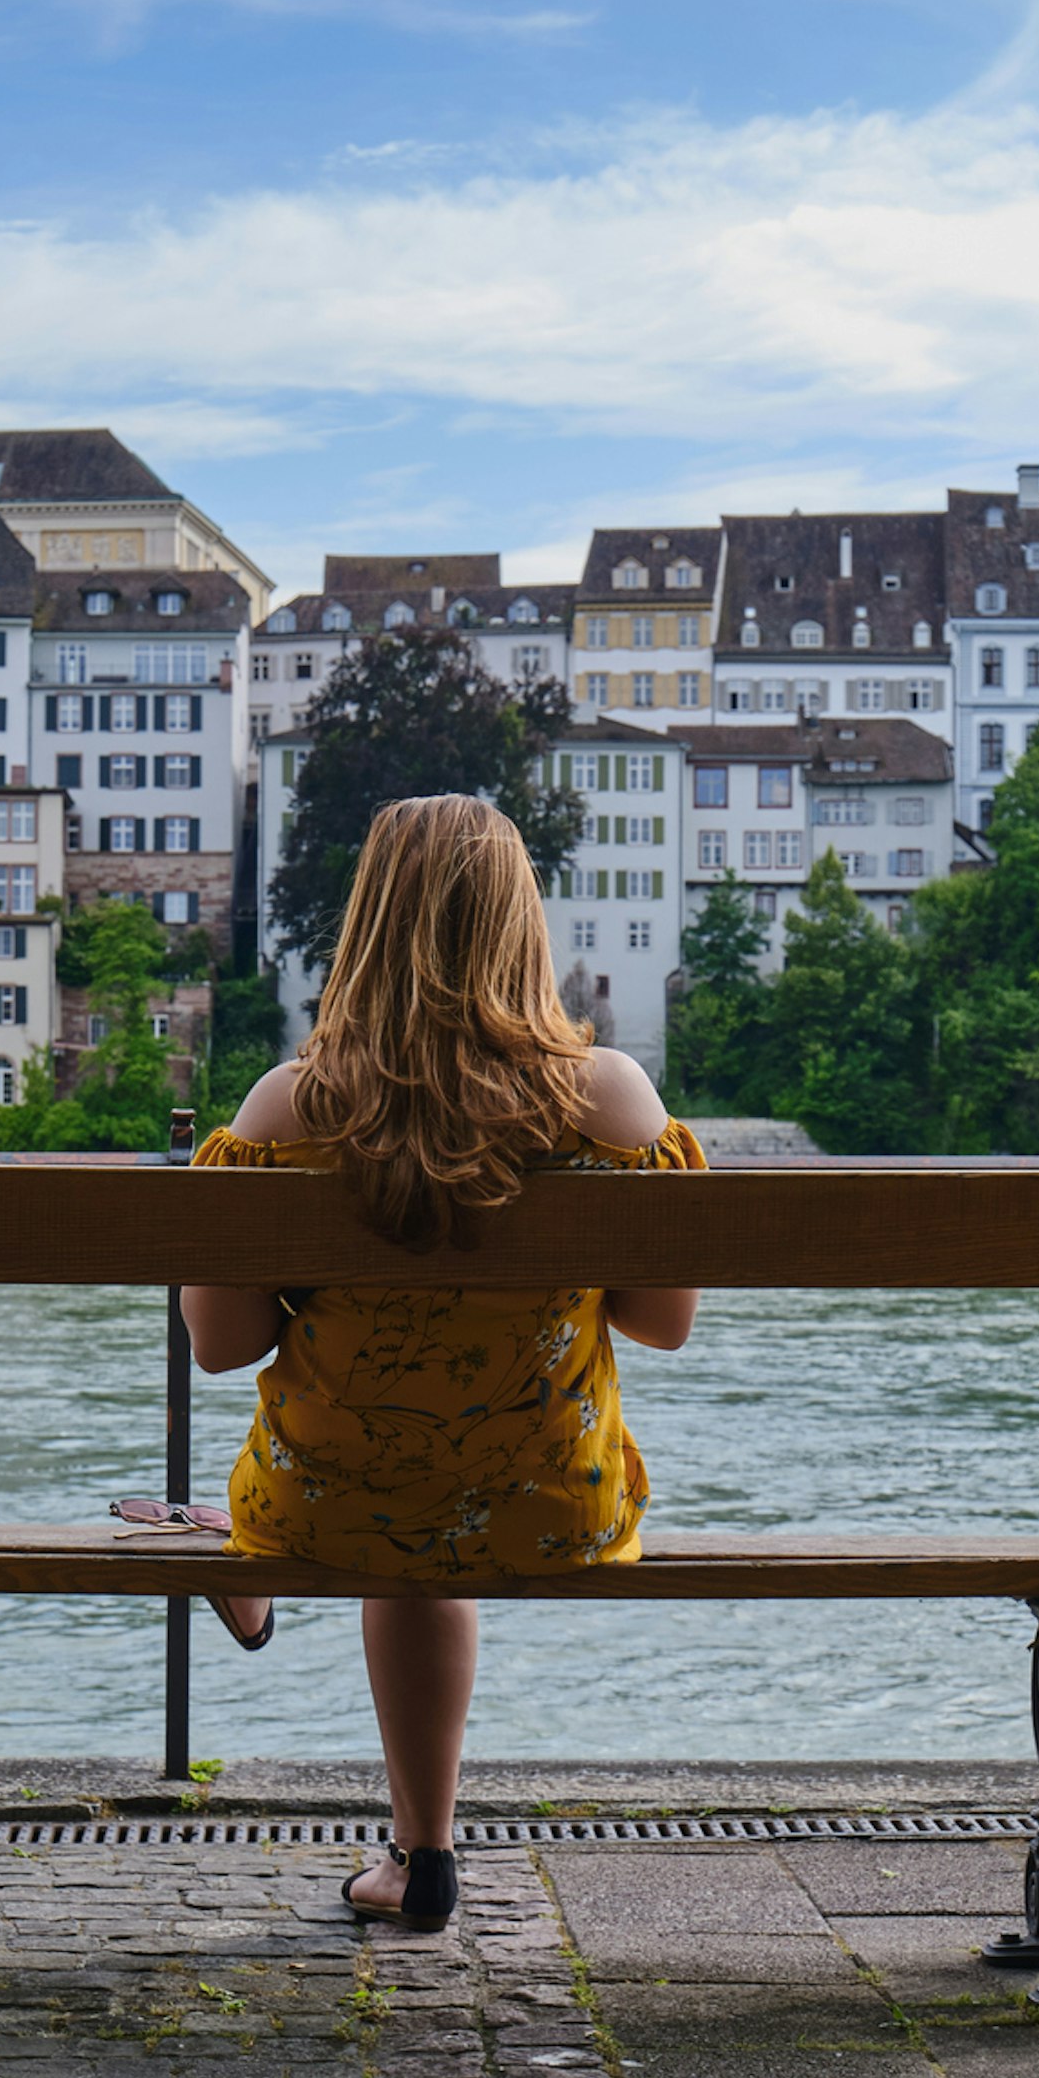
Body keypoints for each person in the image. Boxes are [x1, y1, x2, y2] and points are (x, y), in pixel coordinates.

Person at [180, 795, 700, 1931]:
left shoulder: (291, 1102)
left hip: (334, 1507)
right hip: (556, 1505)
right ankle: (423, 1854)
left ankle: (253, 1572)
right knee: (439, 1504)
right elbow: (664, 1321)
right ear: (522, 924)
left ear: (367, 925)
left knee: (374, 1499)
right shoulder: (608, 1098)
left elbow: (220, 1347)